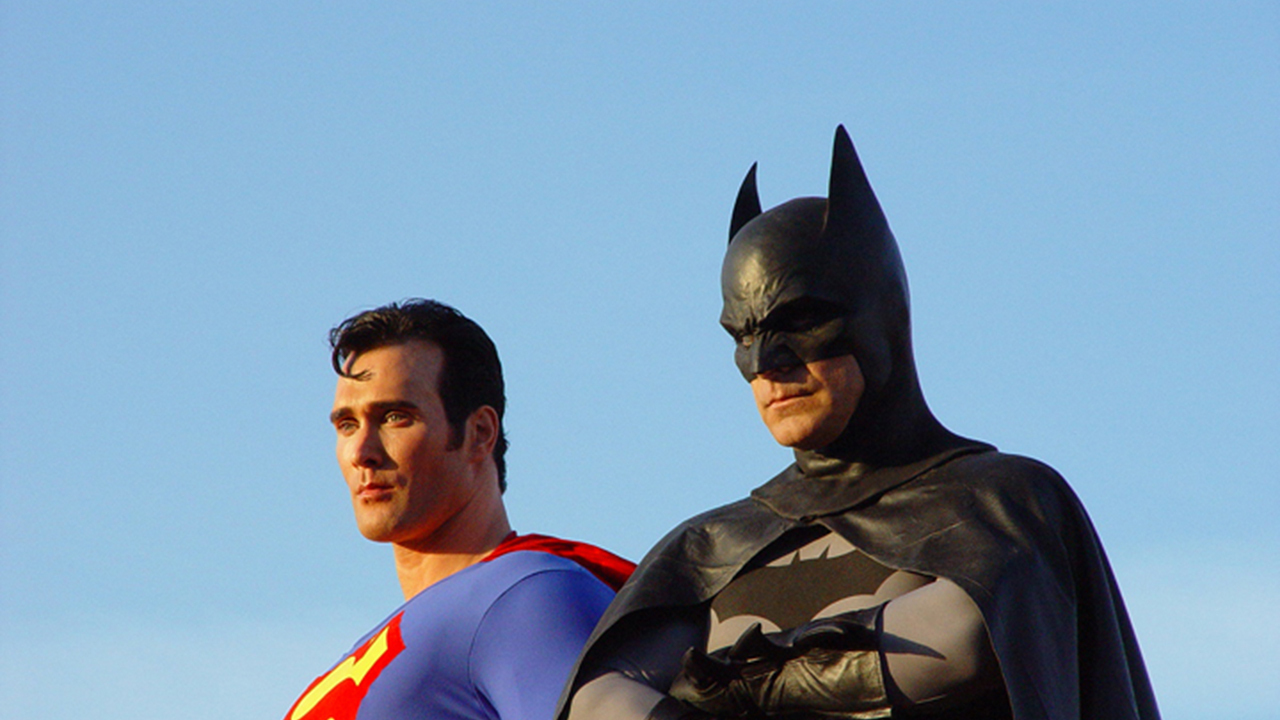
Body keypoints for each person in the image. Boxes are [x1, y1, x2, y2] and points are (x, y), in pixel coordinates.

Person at [560, 127, 1160, 720]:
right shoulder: (709, 548)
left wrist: (735, 687)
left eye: (801, 321)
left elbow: (970, 639)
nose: (766, 363)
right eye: (743, 335)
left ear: (882, 317)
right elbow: (600, 695)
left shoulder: (1003, 502)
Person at [283, 299, 634, 720]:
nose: (361, 452)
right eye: (347, 425)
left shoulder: (525, 591)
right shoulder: (353, 662)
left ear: (479, 433)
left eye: (395, 417)